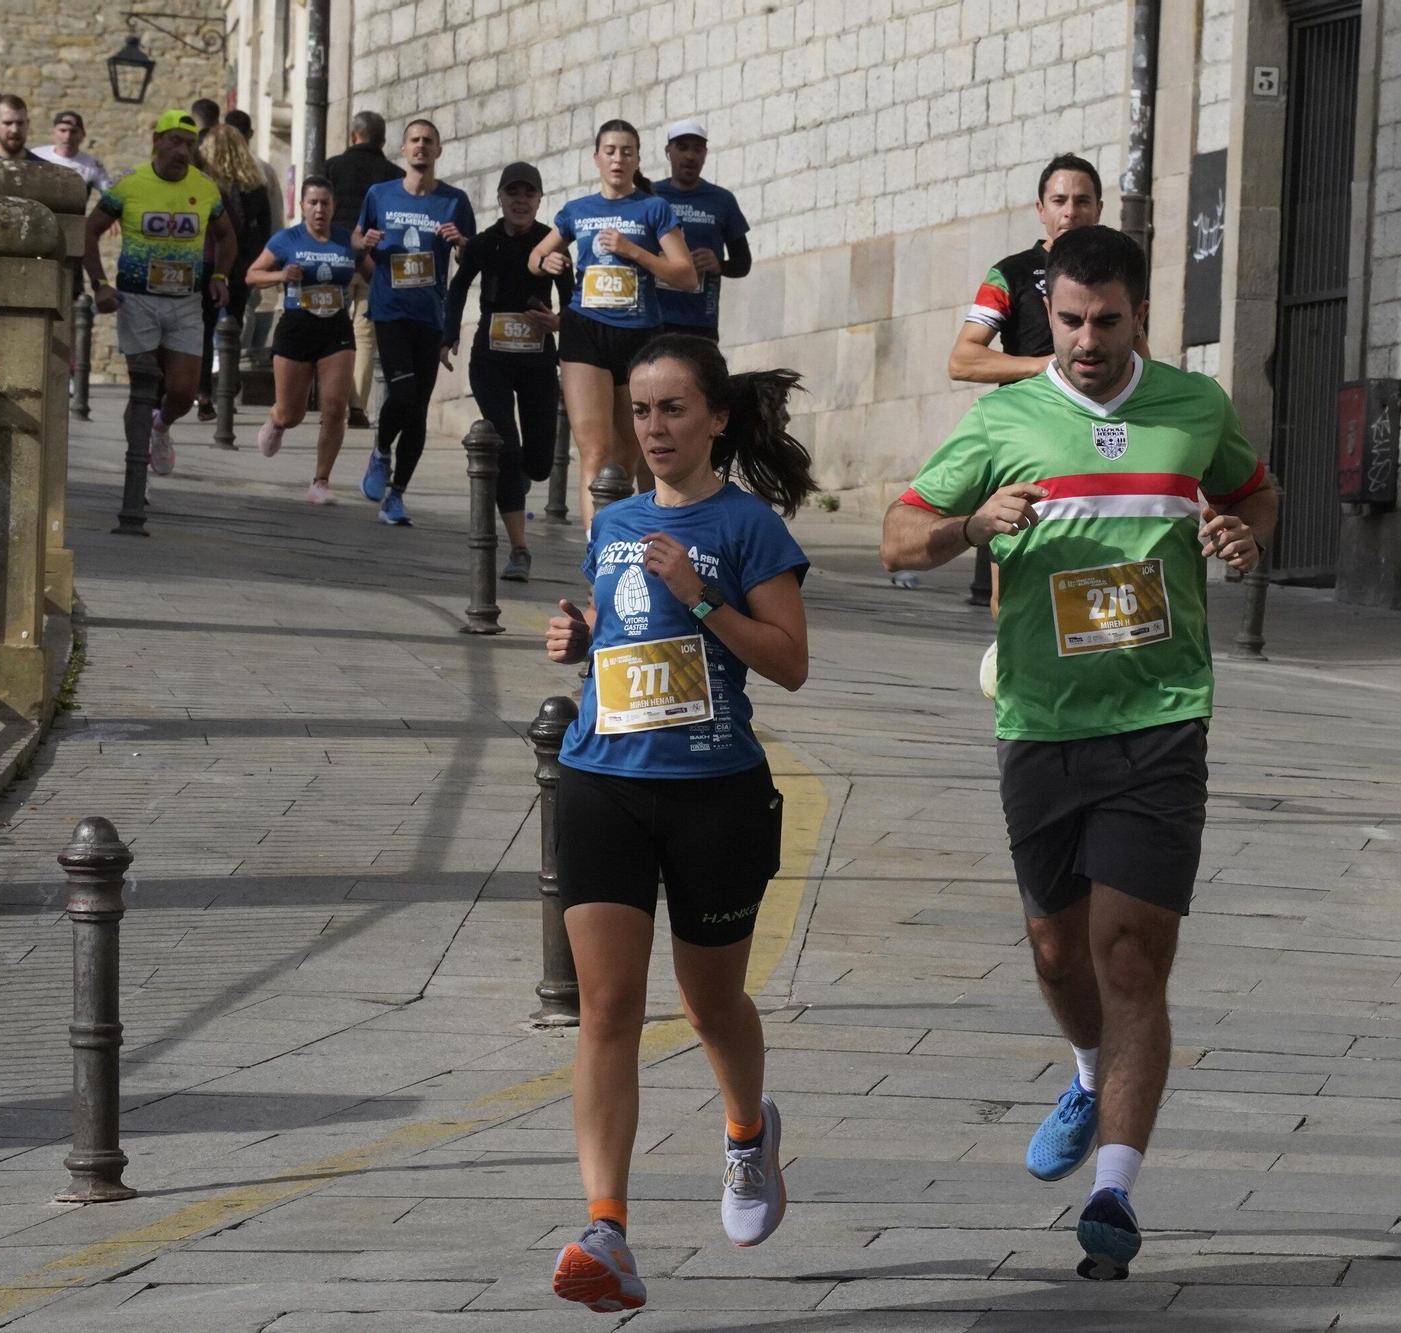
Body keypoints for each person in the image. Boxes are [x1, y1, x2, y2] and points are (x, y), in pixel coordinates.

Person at [880, 225, 1277, 1282]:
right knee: (1057, 953)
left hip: (1160, 715)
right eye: (1068, 321)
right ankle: (1088, 1068)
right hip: (1041, 724)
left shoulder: (1193, 407)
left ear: (1137, 313)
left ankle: (1112, 1190)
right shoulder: (1004, 416)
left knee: (1128, 954)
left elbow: (1250, 494)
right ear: (1042, 312)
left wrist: (1240, 537)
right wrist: (971, 526)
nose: (1087, 340)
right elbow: (894, 537)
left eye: (1106, 321)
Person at [542, 334, 816, 1315]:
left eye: (672, 410)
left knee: (709, 1007)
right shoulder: (612, 520)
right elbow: (619, 641)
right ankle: (605, 1227)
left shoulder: (749, 528)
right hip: (600, 779)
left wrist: (701, 597)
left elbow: (789, 662)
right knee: (606, 1009)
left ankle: (747, 1135)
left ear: (715, 419)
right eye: (642, 411)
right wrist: (578, 638)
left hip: (714, 793)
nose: (654, 428)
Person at [948, 154, 1110, 610]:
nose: (1070, 212)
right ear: (1040, 209)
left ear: (1099, 208)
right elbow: (963, 359)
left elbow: (1140, 355)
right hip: (1029, 437)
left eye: (1082, 201)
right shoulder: (1011, 273)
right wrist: (1046, 369)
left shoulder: (1120, 272)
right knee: (1013, 575)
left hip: (1102, 436)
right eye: (1059, 200)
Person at [528, 119, 695, 528]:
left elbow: (686, 276)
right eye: (610, 150)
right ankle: (596, 552)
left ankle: (625, 536)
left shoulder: (653, 208)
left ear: (637, 159)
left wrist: (634, 251)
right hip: (585, 330)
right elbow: (535, 256)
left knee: (625, 455)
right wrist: (545, 261)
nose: (618, 158)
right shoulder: (578, 211)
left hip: (639, 337)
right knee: (595, 451)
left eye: (626, 151)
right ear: (596, 158)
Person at [82, 109, 238, 481]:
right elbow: (89, 231)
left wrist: (219, 275)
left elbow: (227, 236)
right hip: (138, 301)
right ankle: (136, 473)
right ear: (157, 142)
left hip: (185, 301)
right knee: (143, 386)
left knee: (183, 392)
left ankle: (161, 428)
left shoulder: (204, 187)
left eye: (189, 144)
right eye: (175, 142)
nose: (182, 150)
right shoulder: (128, 185)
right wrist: (100, 284)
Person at [445, 160, 570, 581]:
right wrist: (449, 335)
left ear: (538, 199)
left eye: (528, 194)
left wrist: (561, 323)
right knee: (505, 446)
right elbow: (459, 286)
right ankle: (519, 549)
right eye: (512, 193)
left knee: (537, 463)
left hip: (537, 361)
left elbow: (572, 298)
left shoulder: (552, 243)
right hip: (491, 360)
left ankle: (517, 482)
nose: (520, 201)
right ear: (500, 199)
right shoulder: (485, 243)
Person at [354, 117, 474, 526]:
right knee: (403, 394)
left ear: (438, 151)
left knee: (418, 409)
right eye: (414, 141)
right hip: (389, 310)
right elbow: (357, 240)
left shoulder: (454, 201)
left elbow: (468, 261)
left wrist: (461, 243)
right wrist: (364, 246)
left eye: (428, 141)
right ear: (403, 151)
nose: (421, 147)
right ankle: (381, 450)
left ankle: (397, 494)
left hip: (430, 314)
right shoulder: (379, 195)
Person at [248, 177, 369, 503]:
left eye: (325, 203)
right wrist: (280, 275)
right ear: (302, 206)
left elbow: (373, 273)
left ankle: (320, 482)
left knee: (333, 407)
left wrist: (371, 251)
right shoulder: (287, 239)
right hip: (296, 328)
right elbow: (252, 274)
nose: (319, 209)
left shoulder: (347, 240)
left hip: (336, 330)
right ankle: (276, 420)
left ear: (334, 207)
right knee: (292, 413)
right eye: (313, 203)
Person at [324, 110, 404, 429]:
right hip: (374, 260)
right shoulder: (393, 175)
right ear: (383, 140)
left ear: (353, 135)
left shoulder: (332, 167)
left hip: (336, 257)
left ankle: (334, 401)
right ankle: (357, 406)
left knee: (332, 329)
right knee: (365, 333)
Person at [194, 123, 275, 419]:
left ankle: (203, 392)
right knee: (235, 325)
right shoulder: (255, 185)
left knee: (203, 327)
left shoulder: (202, 184)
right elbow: (264, 230)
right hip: (241, 264)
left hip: (207, 260)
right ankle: (228, 383)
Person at [652, 119, 750, 342]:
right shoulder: (650, 196)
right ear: (668, 151)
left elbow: (743, 263)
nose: (690, 156)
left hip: (700, 321)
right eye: (682, 147)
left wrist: (719, 264)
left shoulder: (722, 200)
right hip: (652, 319)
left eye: (697, 149)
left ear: (705, 154)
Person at [225, 108, 286, 367]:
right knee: (245, 310)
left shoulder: (212, 167)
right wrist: (273, 257)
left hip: (216, 252)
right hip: (249, 252)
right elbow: (273, 216)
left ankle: (221, 373)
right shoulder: (261, 169)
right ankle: (233, 371)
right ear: (250, 133)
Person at [37, 110, 108, 190]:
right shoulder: (36, 155)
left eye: (73, 131)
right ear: (54, 132)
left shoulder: (92, 165)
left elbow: (109, 194)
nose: (68, 136)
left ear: (83, 135)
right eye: (63, 130)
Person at [0, 95, 48, 163]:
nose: (14, 130)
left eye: (20, 123)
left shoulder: (44, 169)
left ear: (27, 124)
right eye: (8, 123)